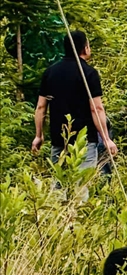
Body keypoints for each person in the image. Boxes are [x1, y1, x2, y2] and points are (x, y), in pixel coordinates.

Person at [33, 32, 117, 172]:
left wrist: (38, 135)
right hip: (84, 140)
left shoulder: (50, 72)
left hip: (59, 138)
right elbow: (96, 109)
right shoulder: (89, 73)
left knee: (59, 184)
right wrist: (106, 139)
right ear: (85, 48)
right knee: (81, 185)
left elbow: (41, 107)